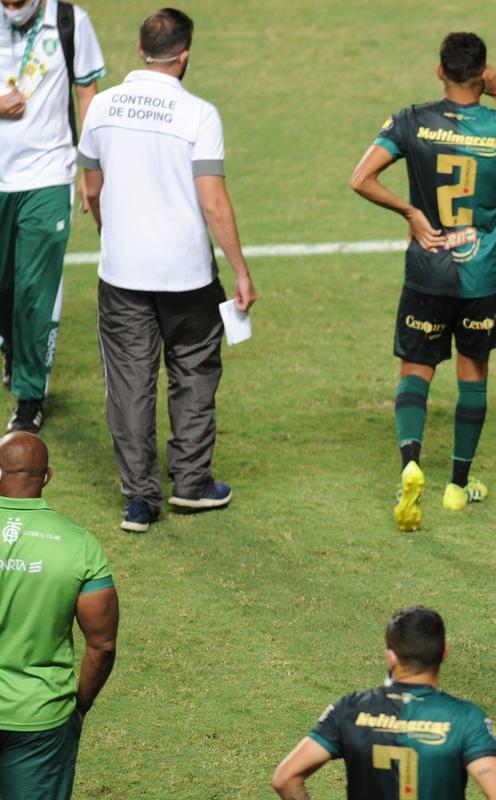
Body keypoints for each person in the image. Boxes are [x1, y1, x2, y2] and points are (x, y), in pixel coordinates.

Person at [350, 31, 496, 531]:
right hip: (483, 276)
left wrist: (411, 212)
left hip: (427, 270)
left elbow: (361, 178)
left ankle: (410, 466)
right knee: (473, 373)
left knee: (416, 370)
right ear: (483, 73)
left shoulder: (410, 120)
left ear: (440, 70)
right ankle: (458, 487)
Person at [76, 8, 256, 533]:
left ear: (139, 50)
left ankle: (139, 501)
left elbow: (90, 187)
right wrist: (241, 269)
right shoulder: (199, 114)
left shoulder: (102, 106)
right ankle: (193, 484)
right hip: (188, 277)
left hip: (122, 277)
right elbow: (214, 202)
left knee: (129, 384)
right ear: (184, 56)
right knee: (194, 372)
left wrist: (113, 234)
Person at [271, 606, 496, 800]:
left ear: (390, 657)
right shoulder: (466, 718)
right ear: (444, 653)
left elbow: (285, 778)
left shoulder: (350, 709)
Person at [0, 0, 105, 433]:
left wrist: (89, 165)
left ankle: (30, 395)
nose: (12, 7)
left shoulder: (69, 21)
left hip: (48, 173)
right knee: (6, 286)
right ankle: (14, 345)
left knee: (34, 290)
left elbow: (87, 94)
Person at [0, 431, 118, 800]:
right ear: (47, 476)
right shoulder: (78, 546)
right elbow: (102, 646)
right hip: (39, 719)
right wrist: (80, 704)